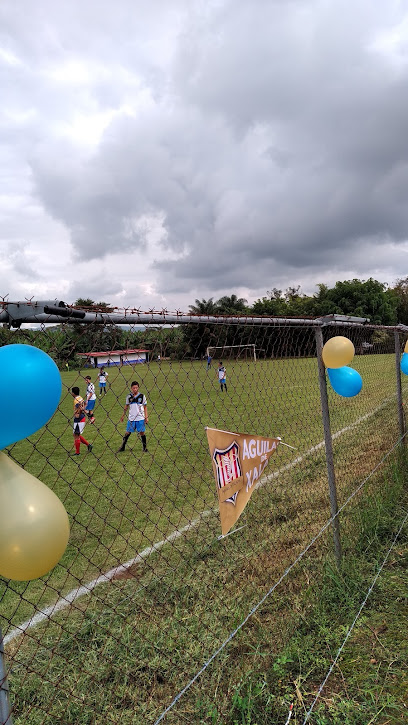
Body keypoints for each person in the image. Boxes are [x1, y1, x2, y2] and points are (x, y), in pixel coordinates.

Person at [118, 381, 149, 453]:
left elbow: (145, 407)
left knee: (142, 433)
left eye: (136, 388)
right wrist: (123, 416)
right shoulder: (129, 397)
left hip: (140, 418)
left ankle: (144, 448)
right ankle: (123, 447)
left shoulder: (142, 396)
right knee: (127, 432)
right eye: (134, 388)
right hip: (131, 418)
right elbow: (126, 407)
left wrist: (146, 417)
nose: (135, 389)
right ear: (131, 388)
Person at [70, 387, 93, 455]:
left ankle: (77, 452)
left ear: (73, 393)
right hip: (82, 417)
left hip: (79, 418)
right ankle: (89, 445)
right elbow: (85, 404)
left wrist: (78, 414)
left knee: (76, 435)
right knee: (76, 434)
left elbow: (80, 407)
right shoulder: (80, 398)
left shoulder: (76, 400)